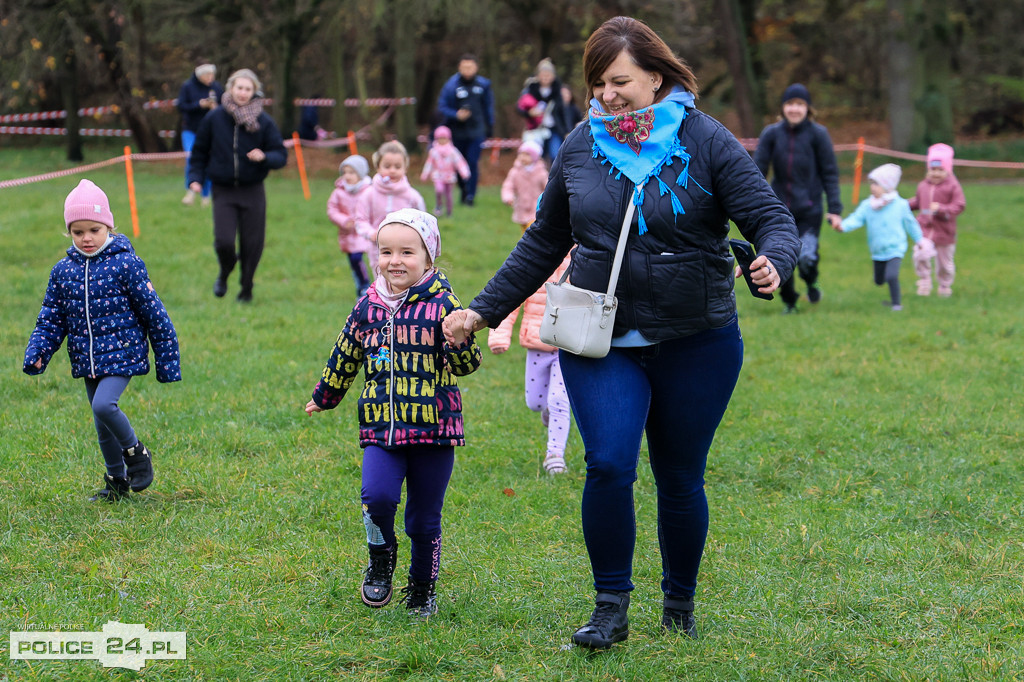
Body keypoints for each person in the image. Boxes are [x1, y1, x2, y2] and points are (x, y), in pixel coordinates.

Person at [443, 16, 799, 648]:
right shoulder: (581, 145)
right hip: (599, 336)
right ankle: (610, 608)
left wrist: (774, 259)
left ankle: (680, 604)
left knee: (679, 475)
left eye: (620, 82)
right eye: (598, 84)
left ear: (656, 78)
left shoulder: (704, 138)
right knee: (608, 463)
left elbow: (769, 216)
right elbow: (544, 239)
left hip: (697, 337)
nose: (608, 95)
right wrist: (482, 310)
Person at [304, 208, 482, 618]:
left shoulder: (444, 303)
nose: (394, 261)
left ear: (428, 257)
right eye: (386, 252)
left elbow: (467, 365)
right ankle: (380, 557)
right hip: (381, 428)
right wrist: (326, 395)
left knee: (423, 519)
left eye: (406, 252)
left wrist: (459, 339)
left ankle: (422, 589)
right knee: (376, 498)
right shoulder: (367, 306)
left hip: (434, 430)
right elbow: (346, 352)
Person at [23, 179, 181, 502]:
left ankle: (137, 453)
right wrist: (39, 351)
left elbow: (155, 314)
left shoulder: (126, 264)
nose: (86, 238)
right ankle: (116, 482)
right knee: (101, 423)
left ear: (108, 226)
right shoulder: (63, 271)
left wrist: (167, 361)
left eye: (94, 230)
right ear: (69, 232)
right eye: (78, 231)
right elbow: (51, 318)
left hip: (123, 354)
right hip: (88, 358)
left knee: (103, 405)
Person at [188, 68, 288, 303]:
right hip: (223, 190)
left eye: (248, 89)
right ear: (231, 88)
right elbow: (199, 152)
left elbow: (281, 155)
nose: (243, 93)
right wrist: (195, 178)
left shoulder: (263, 121)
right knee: (224, 241)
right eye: (239, 88)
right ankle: (225, 272)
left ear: (254, 92)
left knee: (252, 245)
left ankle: (246, 288)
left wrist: (264, 156)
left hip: (253, 190)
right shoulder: (214, 118)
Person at [754, 83, 843, 313]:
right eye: (790, 104)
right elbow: (756, 171)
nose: (794, 109)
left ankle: (812, 282)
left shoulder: (818, 135)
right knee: (780, 259)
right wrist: (752, 202)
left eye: (800, 104)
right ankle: (790, 302)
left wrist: (835, 209)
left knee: (806, 258)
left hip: (810, 209)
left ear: (808, 108)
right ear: (783, 107)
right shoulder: (771, 134)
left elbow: (830, 173)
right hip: (778, 210)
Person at [487, 253, 573, 474]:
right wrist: (499, 335)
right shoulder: (537, 258)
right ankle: (547, 410)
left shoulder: (583, 255)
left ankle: (554, 455)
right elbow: (510, 297)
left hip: (569, 344)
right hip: (537, 341)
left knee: (559, 400)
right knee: (535, 402)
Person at [834, 163, 929, 311]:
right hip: (877, 250)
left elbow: (911, 223)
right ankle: (888, 291)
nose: (872, 187)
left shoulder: (900, 205)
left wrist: (919, 239)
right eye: (872, 183)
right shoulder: (868, 205)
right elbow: (856, 218)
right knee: (879, 280)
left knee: (891, 276)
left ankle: (896, 304)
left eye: (877, 184)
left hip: (896, 247)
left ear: (888, 186)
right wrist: (843, 226)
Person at [355, 140, 425, 272]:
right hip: (378, 251)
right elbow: (360, 220)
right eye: (387, 166)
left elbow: (423, 224)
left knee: (402, 282)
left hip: (406, 252)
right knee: (381, 283)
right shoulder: (368, 194)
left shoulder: (413, 196)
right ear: (378, 167)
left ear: (405, 168)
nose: (392, 170)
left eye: (397, 167)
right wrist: (371, 233)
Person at [436, 54, 494, 206]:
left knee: (472, 162)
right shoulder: (451, 85)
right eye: (464, 67)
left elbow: (488, 107)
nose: (467, 70)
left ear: (476, 67)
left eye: (470, 67)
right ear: (459, 68)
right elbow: (442, 107)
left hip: (476, 131)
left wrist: (489, 126)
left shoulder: (484, 85)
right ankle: (463, 189)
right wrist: (456, 115)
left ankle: (470, 196)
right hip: (457, 132)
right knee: (458, 164)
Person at [908, 143, 966, 297]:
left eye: (941, 170)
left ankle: (944, 286)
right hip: (924, 229)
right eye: (933, 169)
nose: (936, 173)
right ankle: (924, 280)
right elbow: (918, 202)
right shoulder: (923, 186)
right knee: (920, 253)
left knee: (944, 264)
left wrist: (942, 209)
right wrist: (903, 205)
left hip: (944, 232)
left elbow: (959, 205)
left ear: (948, 170)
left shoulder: (953, 186)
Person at [326, 154, 374, 298]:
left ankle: (368, 286)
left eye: (351, 172)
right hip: (348, 233)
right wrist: (344, 220)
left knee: (362, 257)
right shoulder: (339, 192)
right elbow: (332, 210)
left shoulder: (369, 190)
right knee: (354, 260)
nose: (347, 176)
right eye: (345, 172)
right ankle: (362, 287)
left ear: (361, 174)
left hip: (365, 231)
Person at [178, 63, 224, 207]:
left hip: (210, 131)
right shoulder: (187, 86)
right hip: (190, 130)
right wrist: (199, 105)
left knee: (209, 161)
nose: (211, 78)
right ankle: (191, 191)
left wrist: (216, 108)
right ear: (200, 76)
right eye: (208, 75)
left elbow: (224, 107)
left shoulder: (216, 88)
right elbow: (181, 106)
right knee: (191, 158)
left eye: (212, 75)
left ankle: (206, 195)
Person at [516, 59, 566, 161]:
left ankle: (552, 172)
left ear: (553, 76)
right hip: (535, 128)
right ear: (537, 76)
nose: (545, 77)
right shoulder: (530, 90)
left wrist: (566, 130)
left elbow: (563, 112)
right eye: (543, 74)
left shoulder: (558, 91)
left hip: (554, 128)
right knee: (536, 156)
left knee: (555, 155)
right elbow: (519, 108)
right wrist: (529, 113)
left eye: (548, 74)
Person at [419, 126, 470, 217]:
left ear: (448, 138)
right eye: (440, 138)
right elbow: (429, 164)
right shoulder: (434, 151)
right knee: (439, 190)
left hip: (449, 176)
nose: (442, 140)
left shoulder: (453, 151)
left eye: (444, 138)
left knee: (448, 195)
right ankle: (439, 206)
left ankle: (449, 212)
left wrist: (464, 172)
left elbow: (459, 162)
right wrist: (425, 174)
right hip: (438, 175)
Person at [500, 140, 548, 232]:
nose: (523, 157)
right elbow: (508, 186)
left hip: (536, 208)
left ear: (534, 157)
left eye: (527, 154)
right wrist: (508, 197)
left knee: (532, 230)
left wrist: (546, 202)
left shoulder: (541, 173)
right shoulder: (515, 172)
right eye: (521, 154)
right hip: (521, 207)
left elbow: (548, 188)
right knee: (525, 232)